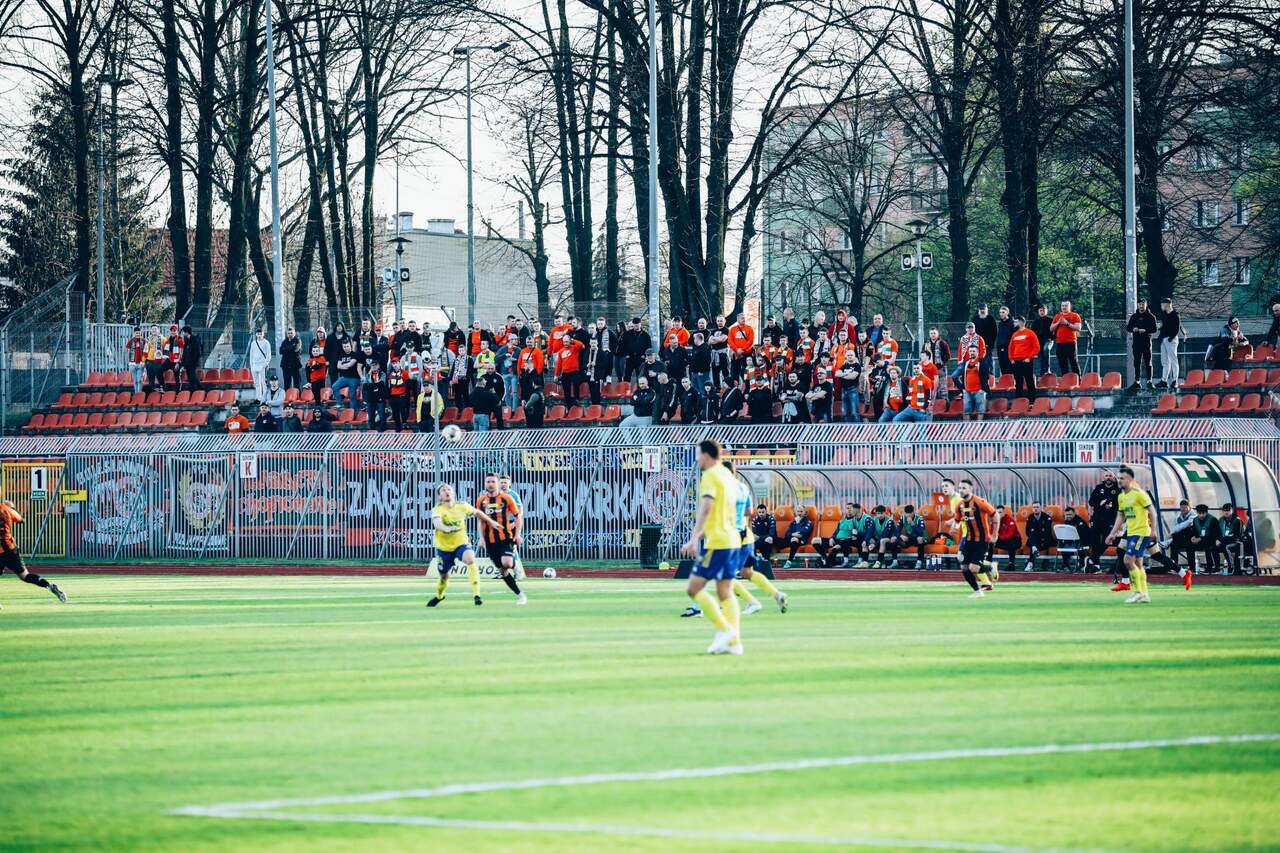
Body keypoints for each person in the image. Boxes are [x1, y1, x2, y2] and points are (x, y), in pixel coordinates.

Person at [680, 440, 745, 655]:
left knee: (694, 588)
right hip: (733, 539)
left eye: (698, 456)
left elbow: (707, 505)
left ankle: (725, 630)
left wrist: (694, 537)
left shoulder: (709, 475)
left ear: (706, 456)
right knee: (725, 592)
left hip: (718, 542)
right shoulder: (727, 475)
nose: (697, 460)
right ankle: (734, 642)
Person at [426, 483, 504, 608]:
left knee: (470, 559)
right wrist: (446, 529)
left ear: (453, 493)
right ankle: (440, 596)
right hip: (444, 548)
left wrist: (490, 521)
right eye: (443, 490)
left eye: (449, 489)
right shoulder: (437, 509)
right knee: (444, 576)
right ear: (440, 496)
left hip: (461, 544)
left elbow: (477, 512)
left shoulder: (462, 506)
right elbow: (437, 523)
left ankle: (477, 595)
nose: (447, 491)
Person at [1106, 465, 1159, 604]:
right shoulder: (1121, 497)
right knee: (1138, 564)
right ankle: (1145, 594)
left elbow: (1152, 512)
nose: (1119, 480)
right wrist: (1112, 534)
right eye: (1118, 478)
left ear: (1130, 479)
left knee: (1128, 560)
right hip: (1131, 533)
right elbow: (1121, 516)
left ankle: (1137, 591)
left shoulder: (1139, 494)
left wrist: (1153, 530)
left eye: (1122, 478)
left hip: (1141, 532)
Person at [473, 473, 528, 604]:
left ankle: (515, 565)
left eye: (493, 481)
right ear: (485, 483)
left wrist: (517, 534)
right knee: (502, 571)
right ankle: (520, 595)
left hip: (505, 537)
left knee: (507, 563)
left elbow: (518, 516)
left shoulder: (507, 498)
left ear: (497, 483)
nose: (490, 484)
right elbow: (480, 521)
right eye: (488, 481)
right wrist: (481, 538)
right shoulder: (481, 501)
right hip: (490, 541)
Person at [0, 500, 67, 607]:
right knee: (25, 576)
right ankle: (49, 586)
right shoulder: (6, 509)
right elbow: (21, 520)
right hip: (11, 549)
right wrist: (10, 511)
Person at [954, 479, 997, 596]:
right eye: (960, 488)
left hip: (982, 540)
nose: (961, 490)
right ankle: (978, 591)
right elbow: (957, 520)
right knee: (964, 567)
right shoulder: (960, 505)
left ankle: (990, 567)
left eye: (964, 488)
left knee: (974, 568)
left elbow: (995, 515)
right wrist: (955, 527)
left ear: (970, 489)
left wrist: (994, 535)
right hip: (968, 540)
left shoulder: (980, 502)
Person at [1088, 470, 1121, 582]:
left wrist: (1111, 507)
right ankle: (1096, 565)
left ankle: (1092, 558)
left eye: (1110, 476)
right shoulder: (1099, 488)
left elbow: (1120, 505)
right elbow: (1091, 502)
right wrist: (1100, 503)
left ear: (1114, 478)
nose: (1108, 477)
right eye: (1106, 476)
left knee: (1108, 540)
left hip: (1110, 520)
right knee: (1095, 542)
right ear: (1103, 478)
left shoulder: (1117, 490)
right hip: (1097, 519)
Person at [813, 502, 859, 568]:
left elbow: (855, 534)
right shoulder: (842, 520)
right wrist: (832, 538)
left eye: (851, 508)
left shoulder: (855, 520)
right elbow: (836, 532)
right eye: (847, 508)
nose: (849, 510)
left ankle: (827, 563)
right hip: (836, 540)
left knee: (836, 547)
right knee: (815, 541)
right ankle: (825, 558)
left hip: (845, 542)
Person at [1126, 297, 1158, 390]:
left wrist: (1145, 330)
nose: (1141, 306)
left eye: (1143, 304)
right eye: (1140, 304)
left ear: (1146, 305)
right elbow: (1128, 328)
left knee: (1148, 362)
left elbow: (1154, 329)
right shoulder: (1134, 316)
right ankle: (1137, 382)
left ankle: (1149, 381)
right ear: (1137, 305)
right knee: (1137, 362)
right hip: (1136, 343)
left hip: (1146, 342)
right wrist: (1133, 329)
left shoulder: (1151, 316)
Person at [1007, 317, 1040, 401]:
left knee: (1029, 381)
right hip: (1016, 362)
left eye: (1016, 322)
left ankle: (1032, 401)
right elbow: (1010, 348)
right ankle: (1019, 401)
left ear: (1021, 322)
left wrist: (1029, 358)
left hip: (1026, 361)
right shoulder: (1014, 334)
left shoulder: (1030, 333)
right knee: (1018, 382)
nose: (1014, 323)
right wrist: (1011, 359)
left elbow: (1036, 347)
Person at [887, 504, 928, 569]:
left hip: (921, 538)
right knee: (893, 539)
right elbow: (896, 531)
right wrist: (900, 535)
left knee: (919, 539)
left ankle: (919, 561)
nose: (908, 515)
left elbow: (920, 533)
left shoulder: (919, 518)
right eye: (906, 513)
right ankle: (895, 562)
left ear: (913, 512)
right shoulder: (903, 518)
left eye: (910, 513)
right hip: (910, 538)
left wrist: (912, 524)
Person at [1050, 300, 1083, 375]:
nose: (1064, 307)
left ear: (1069, 306)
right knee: (1062, 363)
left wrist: (1067, 323)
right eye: (1063, 306)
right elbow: (1051, 329)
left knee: (1073, 361)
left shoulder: (1075, 315)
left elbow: (1078, 328)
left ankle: (1078, 379)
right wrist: (1058, 322)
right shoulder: (1057, 316)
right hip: (1060, 343)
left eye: (1066, 306)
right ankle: (1065, 379)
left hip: (1071, 342)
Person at [1156, 297, 1183, 389]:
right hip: (1164, 339)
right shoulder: (1164, 315)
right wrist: (1160, 330)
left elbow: (1176, 328)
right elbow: (1165, 327)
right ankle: (1164, 380)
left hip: (1171, 339)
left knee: (1173, 360)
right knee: (1165, 361)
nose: (1161, 307)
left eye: (1162, 305)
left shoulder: (1175, 315)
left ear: (1166, 305)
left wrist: (1171, 338)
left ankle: (1175, 380)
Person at [1023, 502, 1056, 570]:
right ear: (1032, 509)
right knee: (1032, 535)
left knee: (1033, 537)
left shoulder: (1047, 517)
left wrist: (1035, 533)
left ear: (1041, 508)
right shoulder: (1030, 517)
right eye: (1034, 507)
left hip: (1045, 540)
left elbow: (1047, 532)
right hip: (1035, 540)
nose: (1036, 509)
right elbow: (1027, 532)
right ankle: (1034, 549)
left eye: (1037, 507)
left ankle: (1030, 562)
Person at [331, 340, 361, 410]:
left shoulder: (354, 354)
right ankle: (339, 404)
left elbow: (350, 364)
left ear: (350, 346)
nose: (346, 348)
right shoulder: (341, 355)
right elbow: (338, 366)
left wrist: (343, 366)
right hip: (344, 378)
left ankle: (352, 410)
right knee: (334, 386)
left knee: (352, 395)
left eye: (347, 346)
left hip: (354, 378)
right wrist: (346, 366)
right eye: (344, 347)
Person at [960, 346, 988, 422]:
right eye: (970, 351)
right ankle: (968, 427)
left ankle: (979, 426)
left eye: (973, 351)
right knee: (966, 411)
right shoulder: (966, 363)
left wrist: (982, 389)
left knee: (980, 410)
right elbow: (963, 376)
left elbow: (986, 376)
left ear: (977, 352)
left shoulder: (982, 362)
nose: (972, 353)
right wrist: (963, 389)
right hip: (967, 391)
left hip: (979, 391)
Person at [1061, 506, 1092, 572]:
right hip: (1073, 541)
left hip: (1084, 541)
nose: (1068, 516)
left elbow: (1083, 535)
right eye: (1067, 515)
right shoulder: (1066, 521)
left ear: (1074, 514)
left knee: (1081, 546)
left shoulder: (1080, 522)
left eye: (1070, 514)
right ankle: (1065, 566)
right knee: (1063, 545)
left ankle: (1081, 565)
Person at [248, 327, 273, 401]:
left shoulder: (266, 343)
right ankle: (258, 398)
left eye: (261, 334)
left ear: (263, 334)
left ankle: (265, 397)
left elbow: (269, 355)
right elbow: (251, 354)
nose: (259, 335)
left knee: (263, 382)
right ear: (256, 334)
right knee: (256, 382)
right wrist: (251, 364)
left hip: (262, 364)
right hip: (254, 365)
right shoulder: (253, 343)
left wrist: (266, 364)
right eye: (258, 334)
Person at [1030, 304, 1053, 377]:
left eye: (1043, 310)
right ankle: (1042, 373)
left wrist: (1052, 337)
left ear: (1046, 311)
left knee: (1046, 349)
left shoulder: (1051, 320)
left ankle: (1047, 369)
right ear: (1038, 312)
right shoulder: (1036, 321)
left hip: (1048, 339)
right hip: (1039, 341)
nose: (1042, 312)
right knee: (1041, 356)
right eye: (1040, 310)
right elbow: (1032, 332)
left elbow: (1055, 330)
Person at [279, 327, 304, 392]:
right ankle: (287, 396)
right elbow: (281, 351)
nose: (290, 334)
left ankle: (298, 396)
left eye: (291, 333)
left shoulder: (297, 340)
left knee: (297, 384)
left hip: (295, 365)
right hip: (285, 365)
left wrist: (286, 349)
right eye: (288, 333)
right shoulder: (284, 341)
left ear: (294, 333)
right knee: (287, 384)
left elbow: (296, 350)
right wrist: (291, 347)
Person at [179, 326, 203, 391]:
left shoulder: (195, 340)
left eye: (183, 332)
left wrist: (193, 362)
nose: (182, 334)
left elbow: (197, 353)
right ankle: (192, 390)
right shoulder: (186, 340)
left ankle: (201, 388)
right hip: (187, 363)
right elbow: (185, 353)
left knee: (193, 376)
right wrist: (183, 363)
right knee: (190, 377)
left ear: (186, 332)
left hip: (193, 362)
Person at [125, 326, 147, 393]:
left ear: (141, 333)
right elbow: (127, 352)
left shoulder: (144, 341)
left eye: (139, 333)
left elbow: (146, 352)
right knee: (135, 380)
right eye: (136, 333)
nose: (138, 334)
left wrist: (144, 362)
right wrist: (128, 362)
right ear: (134, 333)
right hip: (132, 363)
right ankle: (136, 392)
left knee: (139, 380)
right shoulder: (131, 341)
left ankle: (139, 393)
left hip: (141, 363)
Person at [995, 306, 1015, 376]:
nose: (1001, 314)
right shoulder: (1000, 324)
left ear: (1007, 313)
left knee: (1009, 368)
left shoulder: (1012, 323)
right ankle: (1005, 381)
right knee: (1002, 367)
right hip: (1000, 348)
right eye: (1000, 312)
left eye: (1003, 312)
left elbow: (1013, 336)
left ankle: (1012, 381)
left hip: (1009, 349)